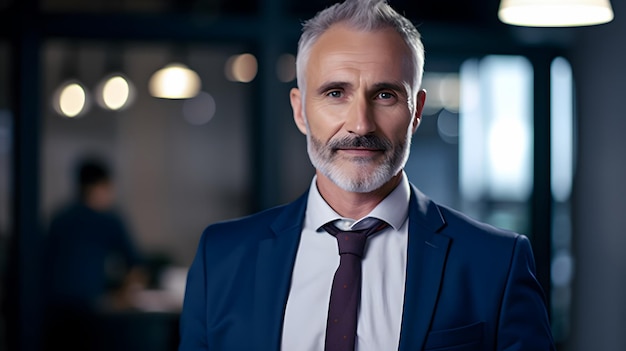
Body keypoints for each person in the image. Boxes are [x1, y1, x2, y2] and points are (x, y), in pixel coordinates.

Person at [178, 0, 555, 350]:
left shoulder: (495, 263)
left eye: (385, 95)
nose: (360, 124)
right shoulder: (222, 257)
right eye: (335, 93)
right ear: (299, 110)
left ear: (417, 110)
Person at [41, 157, 146, 351]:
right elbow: (135, 266)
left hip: (49, 312)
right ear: (100, 187)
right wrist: (123, 297)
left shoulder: (60, 217)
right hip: (90, 313)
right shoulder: (108, 218)